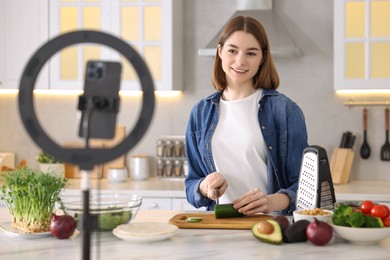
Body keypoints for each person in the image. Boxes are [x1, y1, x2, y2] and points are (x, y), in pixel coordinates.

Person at [185, 16, 308, 215]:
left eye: (251, 53)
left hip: (271, 226)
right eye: (232, 50)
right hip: (219, 228)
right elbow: (191, 185)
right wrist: (204, 186)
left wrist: (271, 202)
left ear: (262, 58)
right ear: (220, 52)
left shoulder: (285, 110)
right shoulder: (200, 112)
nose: (240, 61)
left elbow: (305, 188)